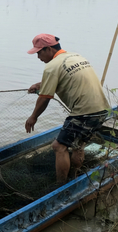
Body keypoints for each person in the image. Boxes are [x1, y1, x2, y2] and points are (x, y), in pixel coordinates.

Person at [25, 34, 109, 183]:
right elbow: (64, 76)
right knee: (78, 145)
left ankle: (60, 186)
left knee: (59, 146)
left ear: (49, 49)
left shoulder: (51, 66)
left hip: (84, 113)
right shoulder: (75, 56)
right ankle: (74, 177)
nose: (38, 57)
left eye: (39, 52)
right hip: (102, 109)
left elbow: (44, 98)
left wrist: (33, 117)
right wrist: (40, 84)